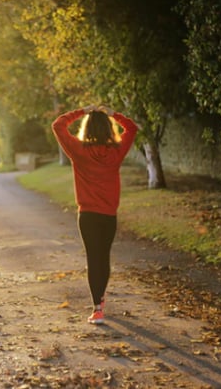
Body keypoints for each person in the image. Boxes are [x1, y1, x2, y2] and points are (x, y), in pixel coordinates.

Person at [52, 105, 139, 324]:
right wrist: (114, 114)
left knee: (94, 258)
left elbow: (58, 125)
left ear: (87, 128)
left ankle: (97, 308)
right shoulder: (116, 151)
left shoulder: (78, 150)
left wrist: (81, 111)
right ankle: (100, 298)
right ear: (109, 129)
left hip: (88, 215)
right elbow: (132, 128)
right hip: (109, 215)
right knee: (104, 257)